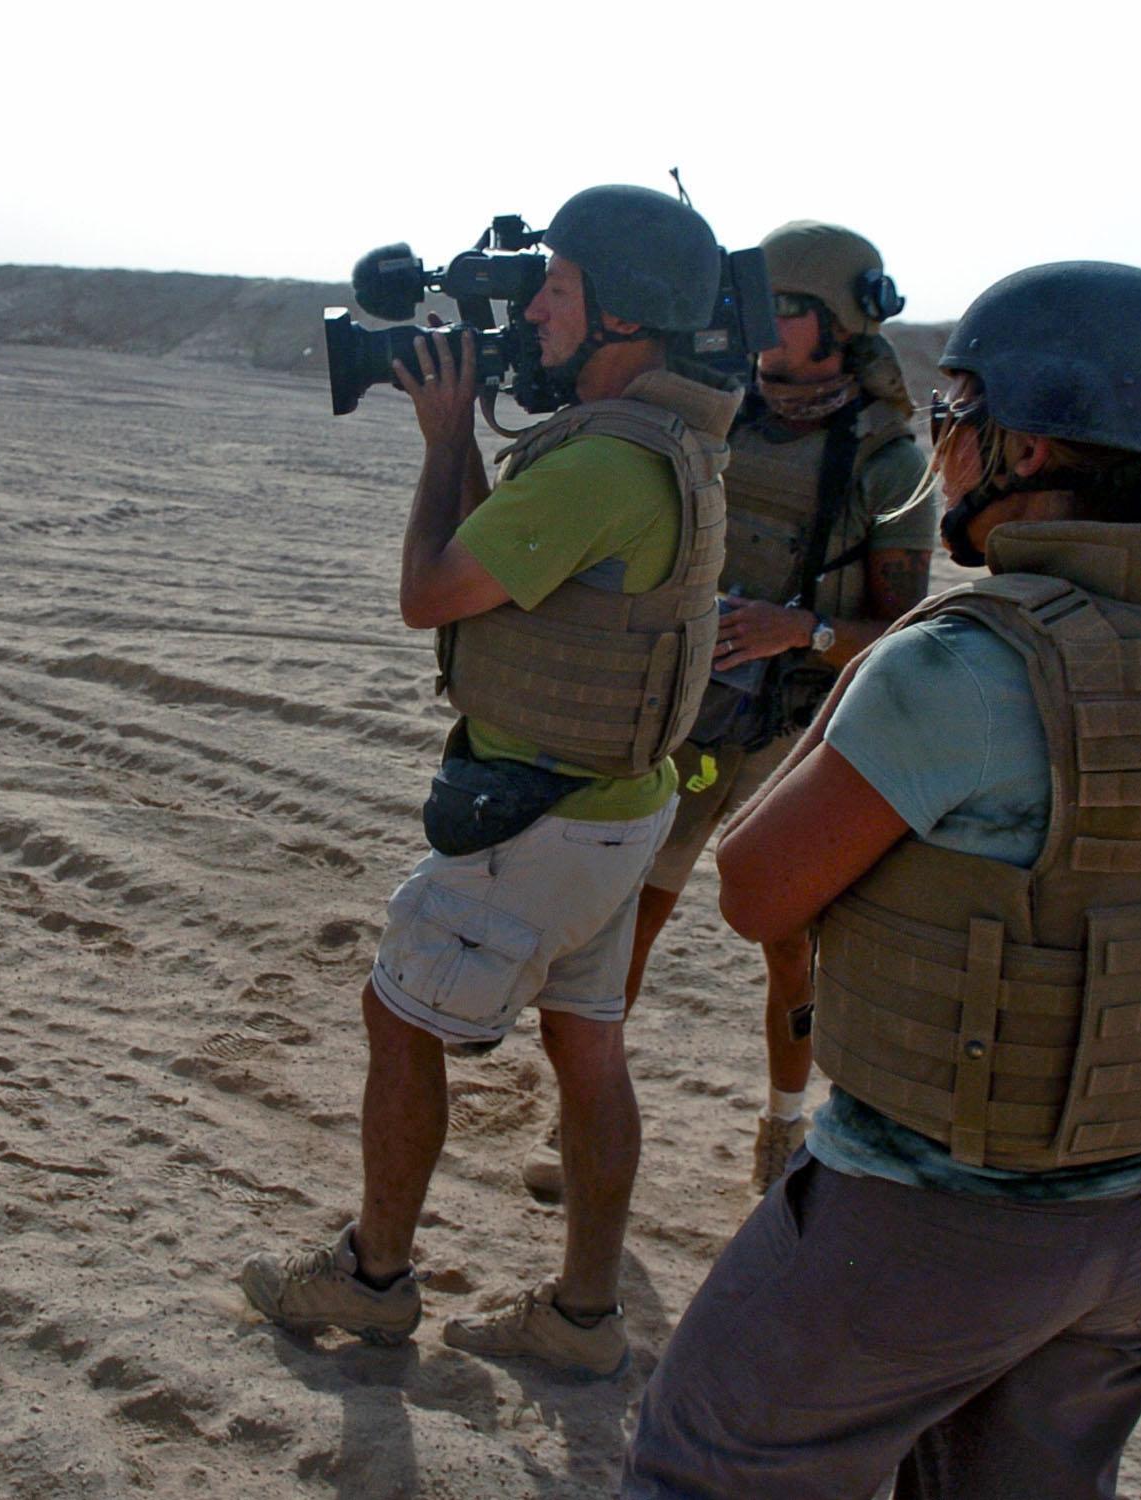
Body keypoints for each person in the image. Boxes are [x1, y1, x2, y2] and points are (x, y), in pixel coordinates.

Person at [623, 261, 1141, 1497]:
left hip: (939, 1214)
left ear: (1026, 444)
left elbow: (755, 891)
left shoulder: (971, 665)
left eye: (957, 419)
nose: (941, 450)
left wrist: (871, 666)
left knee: (707, 1465)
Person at [240, 185, 738, 1380]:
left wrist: (442, 436)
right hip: (620, 807)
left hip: (540, 818)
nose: (540, 314)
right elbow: (497, 574)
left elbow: (430, 597)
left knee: (396, 1013)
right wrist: (462, 432)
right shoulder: (669, 438)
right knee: (590, 1045)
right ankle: (582, 1314)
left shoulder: (601, 464)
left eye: (560, 292)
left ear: (621, 317)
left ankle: (370, 1281)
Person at [525, 222, 932, 1201]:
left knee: (789, 945)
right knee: (632, 914)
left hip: (797, 726)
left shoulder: (886, 460)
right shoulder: (723, 410)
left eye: (781, 309)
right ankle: (577, 1117)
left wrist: (803, 631)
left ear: (836, 326)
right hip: (693, 708)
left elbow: (904, 626)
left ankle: (785, 1130)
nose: (757, 327)